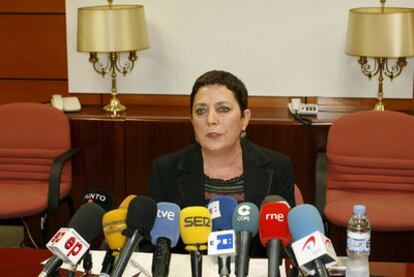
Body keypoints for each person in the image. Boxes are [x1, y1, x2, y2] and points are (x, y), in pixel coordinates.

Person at [149, 70, 295, 255]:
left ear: (245, 119)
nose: (211, 120)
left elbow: (287, 245)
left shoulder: (277, 167)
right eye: (201, 111)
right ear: (192, 121)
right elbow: (154, 245)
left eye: (223, 109)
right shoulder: (165, 170)